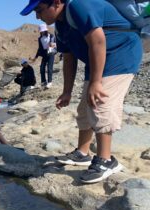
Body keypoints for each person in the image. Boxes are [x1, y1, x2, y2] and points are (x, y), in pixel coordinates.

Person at [20, 0, 142, 184]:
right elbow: (69, 59)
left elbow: (98, 41)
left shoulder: (79, 6)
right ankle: (82, 153)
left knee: (100, 103)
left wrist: (96, 82)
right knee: (84, 107)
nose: (37, 16)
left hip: (120, 55)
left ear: (57, 2)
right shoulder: (61, 25)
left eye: (39, 10)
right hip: (98, 60)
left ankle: (106, 160)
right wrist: (67, 91)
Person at [31, 23, 56, 89]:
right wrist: (35, 57)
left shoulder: (51, 36)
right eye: (41, 31)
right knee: (42, 67)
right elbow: (40, 48)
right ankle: (43, 81)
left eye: (42, 31)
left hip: (51, 53)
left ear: (45, 30)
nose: (41, 32)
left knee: (49, 68)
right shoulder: (40, 39)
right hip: (44, 54)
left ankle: (50, 82)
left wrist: (51, 45)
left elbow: (54, 44)